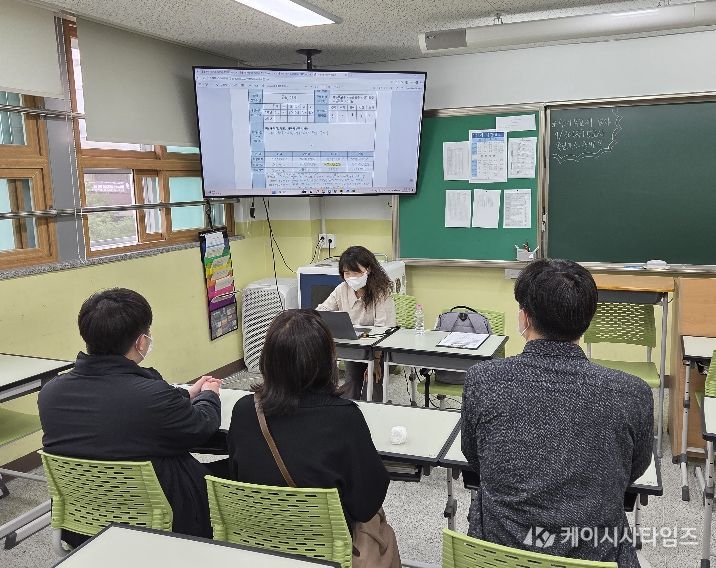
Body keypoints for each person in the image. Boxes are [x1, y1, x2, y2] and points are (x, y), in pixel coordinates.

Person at [461, 259, 653, 567]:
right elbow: (634, 468)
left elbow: (475, 456)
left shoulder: (483, 380)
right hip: (597, 557)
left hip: (498, 556)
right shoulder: (632, 392)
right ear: (587, 320)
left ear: (524, 317)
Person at [38, 288, 222, 546]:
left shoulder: (51, 393)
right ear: (141, 342)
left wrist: (184, 395)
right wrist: (210, 395)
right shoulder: (151, 397)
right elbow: (202, 426)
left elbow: (117, 408)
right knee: (235, 468)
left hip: (85, 528)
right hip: (164, 525)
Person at [227, 309, 390, 529]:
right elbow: (366, 505)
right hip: (326, 541)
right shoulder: (344, 418)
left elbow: (238, 475)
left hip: (257, 536)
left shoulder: (244, 410)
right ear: (327, 361)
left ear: (268, 358)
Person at [317, 246, 397, 401]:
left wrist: (376, 361)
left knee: (372, 384)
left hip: (380, 350)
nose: (351, 277)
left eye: (356, 272)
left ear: (368, 270)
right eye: (347, 273)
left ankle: (372, 410)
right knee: (352, 384)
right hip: (355, 348)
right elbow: (322, 310)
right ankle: (348, 409)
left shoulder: (381, 292)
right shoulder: (342, 289)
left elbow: (383, 329)